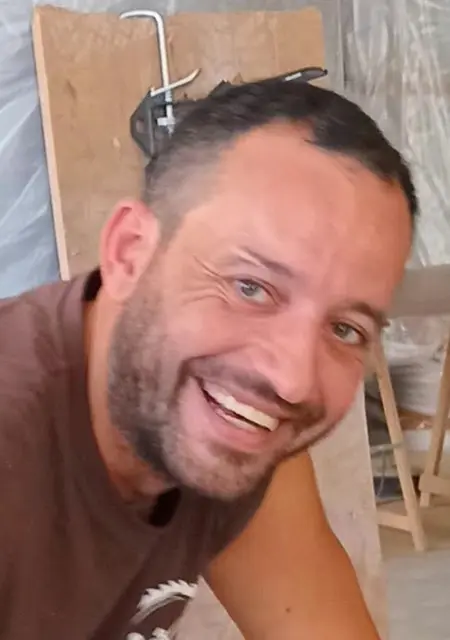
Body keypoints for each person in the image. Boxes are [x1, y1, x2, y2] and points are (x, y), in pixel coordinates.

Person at [0, 78, 415, 640]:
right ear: (129, 254)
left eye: (345, 329)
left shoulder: (234, 428)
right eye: (250, 287)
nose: (291, 380)